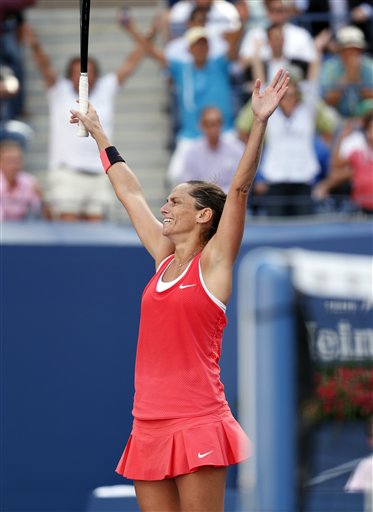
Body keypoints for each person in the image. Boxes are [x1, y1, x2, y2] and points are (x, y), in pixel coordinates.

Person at [70, 69, 289, 511]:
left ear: (205, 216)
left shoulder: (216, 264)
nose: (165, 207)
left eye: (175, 201)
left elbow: (241, 189)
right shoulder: (163, 257)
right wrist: (98, 132)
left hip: (198, 420)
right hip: (147, 423)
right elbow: (129, 192)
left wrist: (260, 122)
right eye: (167, 200)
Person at [22, 21, 147, 222]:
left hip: (100, 174)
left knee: (96, 236)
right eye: (79, 73)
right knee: (68, 231)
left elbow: (131, 62)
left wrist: (145, 34)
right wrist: (35, 44)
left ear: (96, 75)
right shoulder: (58, 90)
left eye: (90, 73)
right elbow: (44, 66)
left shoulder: (106, 89)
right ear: (70, 75)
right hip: (67, 174)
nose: (84, 78)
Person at [180, 106, 245, 192]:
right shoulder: (191, 152)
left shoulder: (237, 150)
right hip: (202, 201)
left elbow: (241, 182)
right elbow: (189, 184)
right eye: (210, 124)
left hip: (229, 199)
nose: (214, 128)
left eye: (217, 123)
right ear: (202, 126)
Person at [320, 25, 373, 119]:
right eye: (347, 50)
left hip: (365, 119)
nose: (351, 54)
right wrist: (346, 79)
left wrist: (357, 80)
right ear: (340, 51)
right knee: (324, 111)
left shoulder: (369, 66)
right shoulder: (329, 67)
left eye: (355, 50)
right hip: (338, 118)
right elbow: (328, 101)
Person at [0, 138, 42, 220]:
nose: (14, 165)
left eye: (17, 160)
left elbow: (37, 213)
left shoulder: (30, 182)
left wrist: (41, 198)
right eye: (9, 161)